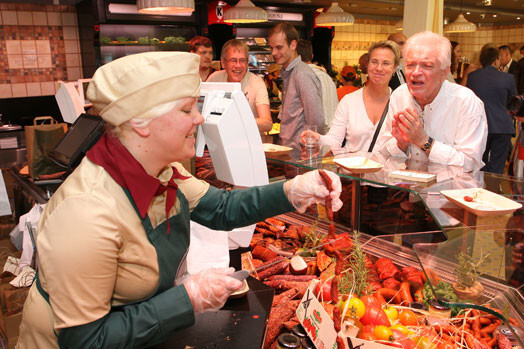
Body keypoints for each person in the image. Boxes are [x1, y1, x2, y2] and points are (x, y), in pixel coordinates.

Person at [17, 52, 343, 348]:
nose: (199, 119)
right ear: (140, 124)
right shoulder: (86, 213)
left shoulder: (161, 171)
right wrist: (187, 298)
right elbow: (86, 340)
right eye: (187, 109)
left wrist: (296, 190)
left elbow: (222, 209)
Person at [379, 31, 488, 172]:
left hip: (449, 192)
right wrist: (401, 143)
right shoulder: (400, 95)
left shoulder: (466, 102)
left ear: (444, 72)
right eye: (410, 65)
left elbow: (470, 164)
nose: (416, 72)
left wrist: (424, 141)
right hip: (407, 190)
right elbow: (383, 153)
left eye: (427, 66)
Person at [300, 40, 399, 155]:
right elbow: (335, 139)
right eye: (374, 62)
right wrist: (318, 138)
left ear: (395, 68)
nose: (379, 68)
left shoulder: (399, 103)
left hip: (385, 172)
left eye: (386, 63)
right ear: (368, 64)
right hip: (351, 172)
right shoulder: (349, 101)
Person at [268, 22, 324, 157]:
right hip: (290, 153)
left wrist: (307, 152)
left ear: (293, 45)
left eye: (279, 47)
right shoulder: (289, 72)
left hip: (300, 156)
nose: (274, 53)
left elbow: (316, 120)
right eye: (272, 48)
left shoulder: (302, 74)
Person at [467, 45, 517, 174]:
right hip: (502, 126)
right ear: (496, 60)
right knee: (497, 166)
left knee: (478, 164)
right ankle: (493, 190)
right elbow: (514, 102)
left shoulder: (472, 77)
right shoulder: (508, 78)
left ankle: (479, 190)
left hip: (479, 126)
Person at [207, 39, 272, 136]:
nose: (238, 65)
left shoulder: (256, 83)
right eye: (233, 60)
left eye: (242, 60)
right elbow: (202, 112)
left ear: (247, 63)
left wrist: (232, 122)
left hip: (249, 145)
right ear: (223, 63)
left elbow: (267, 123)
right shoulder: (214, 79)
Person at [296, 39, 338, 133]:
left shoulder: (298, 78)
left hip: (311, 137)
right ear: (312, 56)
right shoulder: (327, 78)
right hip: (332, 136)